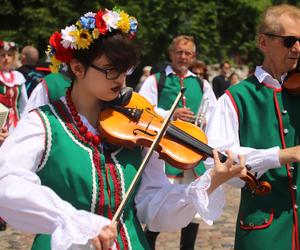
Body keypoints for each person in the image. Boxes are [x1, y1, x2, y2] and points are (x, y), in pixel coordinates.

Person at [0, 7, 247, 250]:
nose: (121, 79)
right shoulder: (42, 123)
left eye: (126, 70)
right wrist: (71, 219)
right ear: (77, 68)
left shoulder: (133, 129)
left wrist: (210, 182)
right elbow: (7, 182)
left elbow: (153, 207)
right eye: (111, 70)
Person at [204, 4, 300, 250]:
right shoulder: (235, 98)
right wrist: (279, 156)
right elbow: (215, 159)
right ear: (264, 42)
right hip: (263, 230)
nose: (297, 48)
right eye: (290, 41)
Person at [139, 36, 216, 250]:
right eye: (179, 52)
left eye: (188, 53)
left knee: (193, 208)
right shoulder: (155, 80)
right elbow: (143, 111)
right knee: (159, 207)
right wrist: (170, 115)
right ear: (171, 53)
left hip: (193, 155)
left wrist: (206, 123)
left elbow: (213, 113)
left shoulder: (202, 84)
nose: (183, 57)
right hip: (164, 155)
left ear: (194, 56)